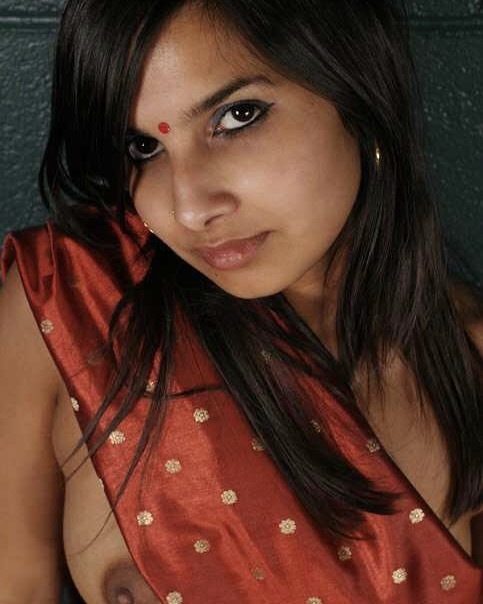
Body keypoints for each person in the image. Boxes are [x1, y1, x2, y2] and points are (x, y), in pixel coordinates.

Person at [0, 0, 482, 602]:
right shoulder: (67, 303)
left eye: (238, 116)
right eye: (143, 148)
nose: (189, 208)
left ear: (359, 94)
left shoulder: (469, 361)